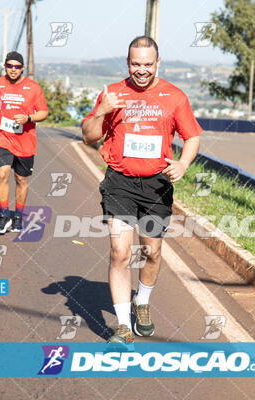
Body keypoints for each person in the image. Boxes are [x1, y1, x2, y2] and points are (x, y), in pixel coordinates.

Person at [81, 36, 202, 344]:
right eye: (136, 64)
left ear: (157, 63)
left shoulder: (174, 96)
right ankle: (122, 326)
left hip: (156, 185)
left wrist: (184, 164)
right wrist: (101, 112)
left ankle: (142, 301)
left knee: (152, 251)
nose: (142, 70)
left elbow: (192, 136)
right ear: (128, 63)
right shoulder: (113, 94)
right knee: (120, 252)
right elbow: (89, 137)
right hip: (120, 182)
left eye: (148, 64)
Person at [0, 51, 49, 234]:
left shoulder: (33, 88)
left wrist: (28, 117)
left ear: (22, 68)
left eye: (17, 67)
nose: (13, 70)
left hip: (25, 141)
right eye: (9, 66)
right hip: (2, 138)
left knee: (21, 179)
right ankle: (4, 215)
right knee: (1, 174)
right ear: (5, 66)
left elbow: (43, 112)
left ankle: (18, 216)